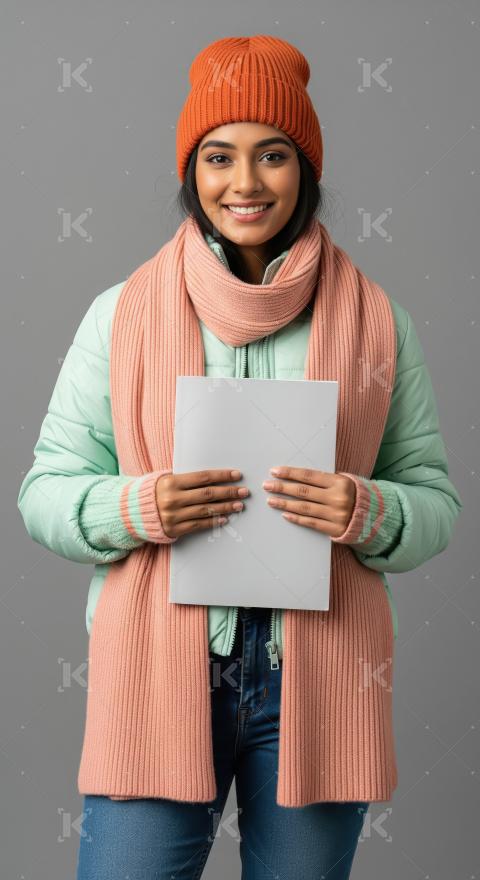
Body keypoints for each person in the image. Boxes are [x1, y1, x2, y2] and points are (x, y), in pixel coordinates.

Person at [17, 35, 462, 880]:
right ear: (193, 170)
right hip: (157, 669)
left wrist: (372, 512)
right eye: (219, 157)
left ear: (306, 170)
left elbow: (434, 499)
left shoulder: (380, 323)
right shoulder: (120, 315)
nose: (246, 183)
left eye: (273, 156)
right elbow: (43, 492)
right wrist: (135, 507)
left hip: (316, 678)